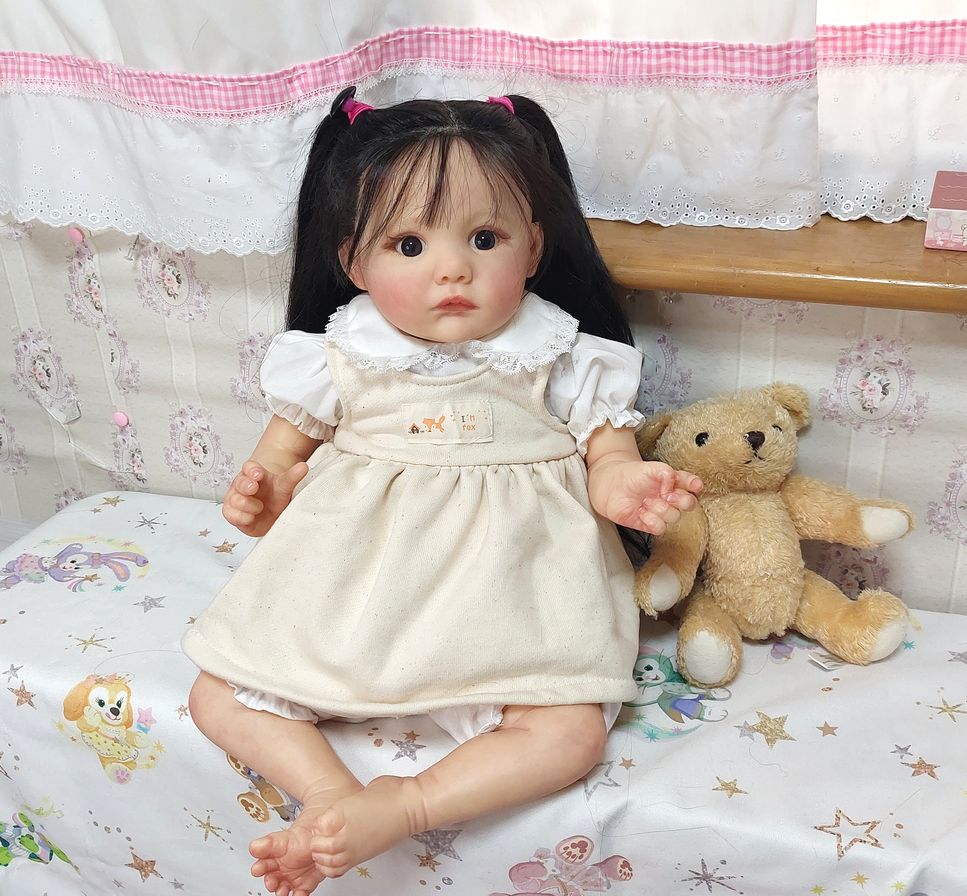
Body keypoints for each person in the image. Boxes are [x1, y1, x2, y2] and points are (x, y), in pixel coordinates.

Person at [183, 87, 703, 896]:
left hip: (513, 604)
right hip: (356, 593)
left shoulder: (562, 356)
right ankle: (330, 795)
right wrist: (263, 496)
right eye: (409, 244)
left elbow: (607, 454)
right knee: (217, 694)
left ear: (533, 248)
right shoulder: (334, 356)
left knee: (568, 735)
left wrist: (622, 485)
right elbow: (278, 463)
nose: (452, 267)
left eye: (484, 238)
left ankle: (409, 802)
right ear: (354, 263)